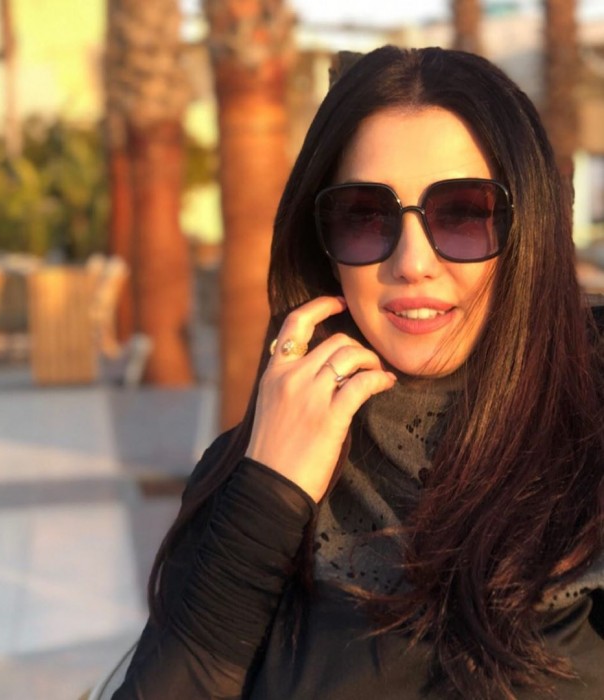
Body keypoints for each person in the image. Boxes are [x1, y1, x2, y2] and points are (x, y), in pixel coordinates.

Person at [112, 45, 604, 699]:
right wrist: (268, 492)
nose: (412, 263)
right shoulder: (258, 466)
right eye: (366, 217)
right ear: (322, 244)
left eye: (462, 213)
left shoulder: (589, 438)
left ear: (528, 229)